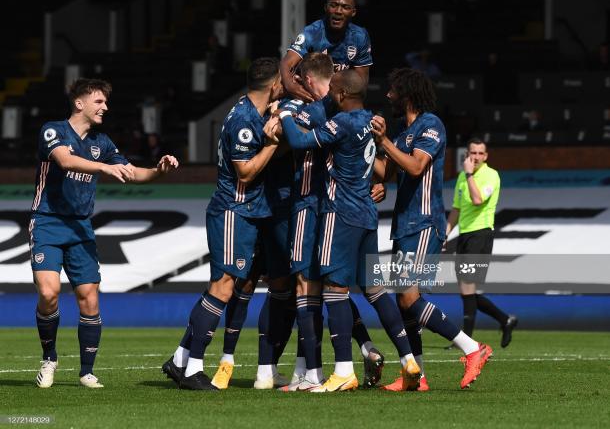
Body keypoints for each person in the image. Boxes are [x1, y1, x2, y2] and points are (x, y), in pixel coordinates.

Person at [272, 69, 421, 392]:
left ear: (340, 95)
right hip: (368, 215)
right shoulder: (373, 120)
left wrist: (285, 113)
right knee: (375, 290)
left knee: (334, 291)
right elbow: (384, 167)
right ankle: (409, 360)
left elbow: (298, 140)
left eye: (332, 93)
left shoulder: (342, 122)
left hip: (340, 214)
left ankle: (342, 371)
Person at [31, 78, 179, 389]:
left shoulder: (102, 142)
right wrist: (103, 168)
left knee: (89, 299)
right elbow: (64, 160)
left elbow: (131, 171)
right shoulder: (53, 130)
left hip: (81, 226)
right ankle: (49, 357)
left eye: (106, 102)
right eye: (99, 101)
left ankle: (86, 371)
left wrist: (157, 170)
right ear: (79, 103)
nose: (105, 108)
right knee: (48, 293)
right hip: (48, 221)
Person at [162, 57, 283, 391]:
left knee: (222, 287)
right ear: (273, 84)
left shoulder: (249, 112)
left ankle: (180, 359)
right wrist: (273, 143)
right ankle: (192, 371)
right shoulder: (245, 120)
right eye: (282, 82)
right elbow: (245, 170)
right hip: (233, 210)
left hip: (243, 212)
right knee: (223, 286)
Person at [371, 68, 492, 391]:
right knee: (403, 300)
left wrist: (384, 142)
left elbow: (415, 166)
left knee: (410, 297)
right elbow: (388, 171)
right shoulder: (401, 129)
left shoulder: (431, 125)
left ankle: (472, 347)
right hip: (403, 224)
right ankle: (417, 376)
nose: (388, 96)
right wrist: (367, 148)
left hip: (425, 223)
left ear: (407, 93)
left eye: (393, 91)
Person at [446, 138, 517, 346]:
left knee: (468, 288)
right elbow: (457, 209)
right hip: (464, 235)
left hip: (481, 234)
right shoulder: (461, 177)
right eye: (472, 153)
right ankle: (506, 319)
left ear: (485, 156)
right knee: (466, 291)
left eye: (479, 153)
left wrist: (469, 175)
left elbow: (477, 200)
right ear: (467, 154)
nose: (475, 157)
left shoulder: (491, 175)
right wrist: (446, 233)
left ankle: (465, 341)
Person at [280, 0, 372, 102]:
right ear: (325, 8)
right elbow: (286, 63)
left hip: (340, 98)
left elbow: (361, 80)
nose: (338, 11)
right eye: (333, 5)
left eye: (345, 7)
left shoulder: (360, 36)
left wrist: (352, 107)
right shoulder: (312, 32)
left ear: (353, 12)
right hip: (310, 98)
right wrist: (291, 86)